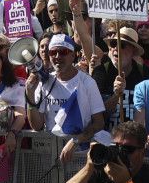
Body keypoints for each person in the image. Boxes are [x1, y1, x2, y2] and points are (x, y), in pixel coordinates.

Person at [25, 34, 106, 163]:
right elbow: (36, 125)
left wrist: (75, 141)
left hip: (79, 155)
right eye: (53, 52)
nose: (57, 57)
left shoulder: (87, 82)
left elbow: (99, 122)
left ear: (72, 55)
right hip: (51, 156)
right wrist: (30, 94)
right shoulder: (44, 82)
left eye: (63, 52)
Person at [56, 120, 149, 183]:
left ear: (142, 152)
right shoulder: (101, 174)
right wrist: (89, 168)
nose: (122, 154)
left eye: (128, 150)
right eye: (117, 148)